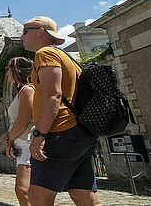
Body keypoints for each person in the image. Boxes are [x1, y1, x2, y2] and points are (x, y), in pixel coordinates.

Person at [21, 17, 102, 206]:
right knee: (84, 196)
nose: (21, 37)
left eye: (25, 32)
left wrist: (39, 134)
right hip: (79, 133)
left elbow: (53, 95)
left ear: (40, 31)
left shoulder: (45, 53)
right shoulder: (67, 58)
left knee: (37, 197)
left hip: (60, 132)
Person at [0, 57, 35, 206]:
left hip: (28, 143)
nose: (7, 71)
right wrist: (9, 138)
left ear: (17, 70)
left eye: (9, 68)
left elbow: (22, 121)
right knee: (25, 191)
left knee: (22, 190)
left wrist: (9, 139)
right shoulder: (23, 90)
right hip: (22, 144)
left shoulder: (28, 90)